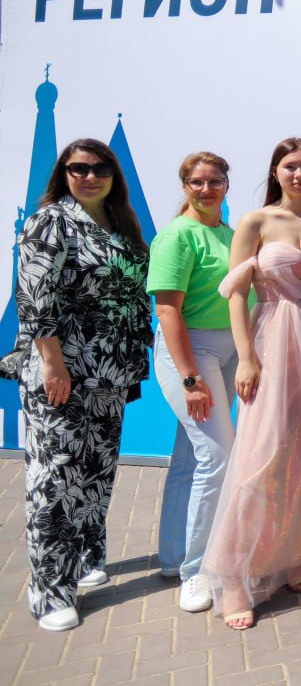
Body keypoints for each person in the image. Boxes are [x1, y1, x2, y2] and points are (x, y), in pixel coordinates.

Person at [202, 138, 301, 630]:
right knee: (262, 453)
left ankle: (296, 550)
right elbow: (236, 295)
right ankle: (234, 572)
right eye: (290, 166)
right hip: (272, 339)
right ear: (275, 171)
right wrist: (246, 358)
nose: (299, 174)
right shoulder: (255, 222)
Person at [15, 139, 152, 632]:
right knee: (56, 479)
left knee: (95, 473)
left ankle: (86, 558)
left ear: (114, 175)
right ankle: (49, 589)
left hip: (110, 370)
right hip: (63, 370)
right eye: (79, 168)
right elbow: (35, 297)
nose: (90, 176)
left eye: (100, 168)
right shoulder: (50, 221)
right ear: (64, 173)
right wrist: (53, 365)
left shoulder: (120, 225)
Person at [152, 152, 238, 614]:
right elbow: (167, 310)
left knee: (191, 457)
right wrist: (190, 378)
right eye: (197, 182)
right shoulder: (177, 235)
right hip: (191, 350)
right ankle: (196, 571)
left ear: (227, 184)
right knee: (217, 457)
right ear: (184, 186)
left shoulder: (227, 233)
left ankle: (173, 556)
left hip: (227, 350)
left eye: (215, 181)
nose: (207, 189)